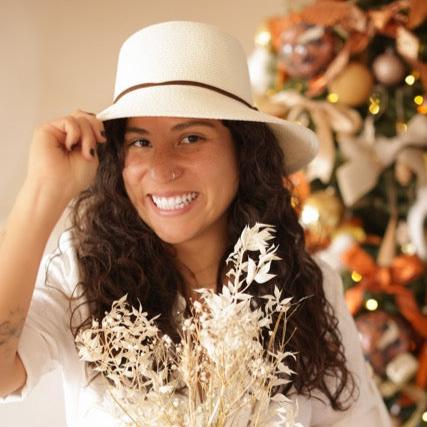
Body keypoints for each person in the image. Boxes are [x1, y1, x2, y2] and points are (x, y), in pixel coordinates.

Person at [0, 20, 391, 426]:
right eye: (140, 142)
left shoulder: (307, 284)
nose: (162, 168)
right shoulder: (79, 280)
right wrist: (42, 192)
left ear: (243, 151)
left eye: (191, 138)